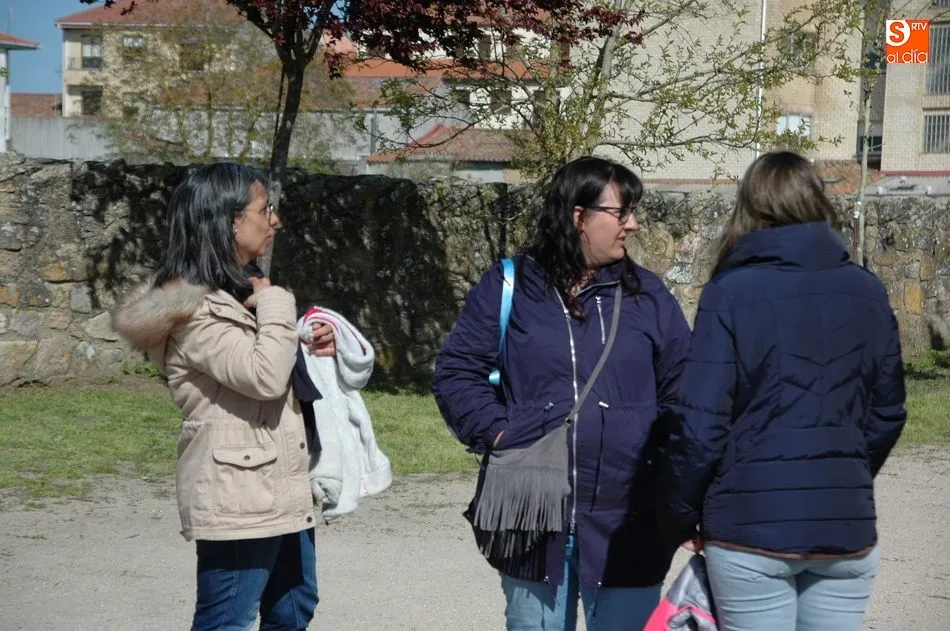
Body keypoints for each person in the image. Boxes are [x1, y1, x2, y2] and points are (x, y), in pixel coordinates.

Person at [432, 156, 691, 631]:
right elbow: (456, 372)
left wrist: (666, 471)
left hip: (629, 522)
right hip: (530, 514)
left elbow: (685, 395)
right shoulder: (508, 286)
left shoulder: (649, 297)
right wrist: (498, 433)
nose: (633, 224)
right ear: (578, 216)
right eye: (621, 212)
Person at [662, 151, 907, 631]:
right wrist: (844, 474)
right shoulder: (867, 290)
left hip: (749, 528)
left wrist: (683, 514)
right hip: (844, 525)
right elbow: (887, 412)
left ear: (749, 208)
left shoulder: (730, 292)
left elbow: (700, 424)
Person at [112, 163, 335, 630]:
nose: (275, 220)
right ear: (231, 220)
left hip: (278, 483)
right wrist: (276, 302)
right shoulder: (195, 311)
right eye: (265, 209)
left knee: (294, 608)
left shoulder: (236, 291)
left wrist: (308, 341)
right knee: (227, 620)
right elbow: (263, 376)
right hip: (237, 495)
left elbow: (271, 365)